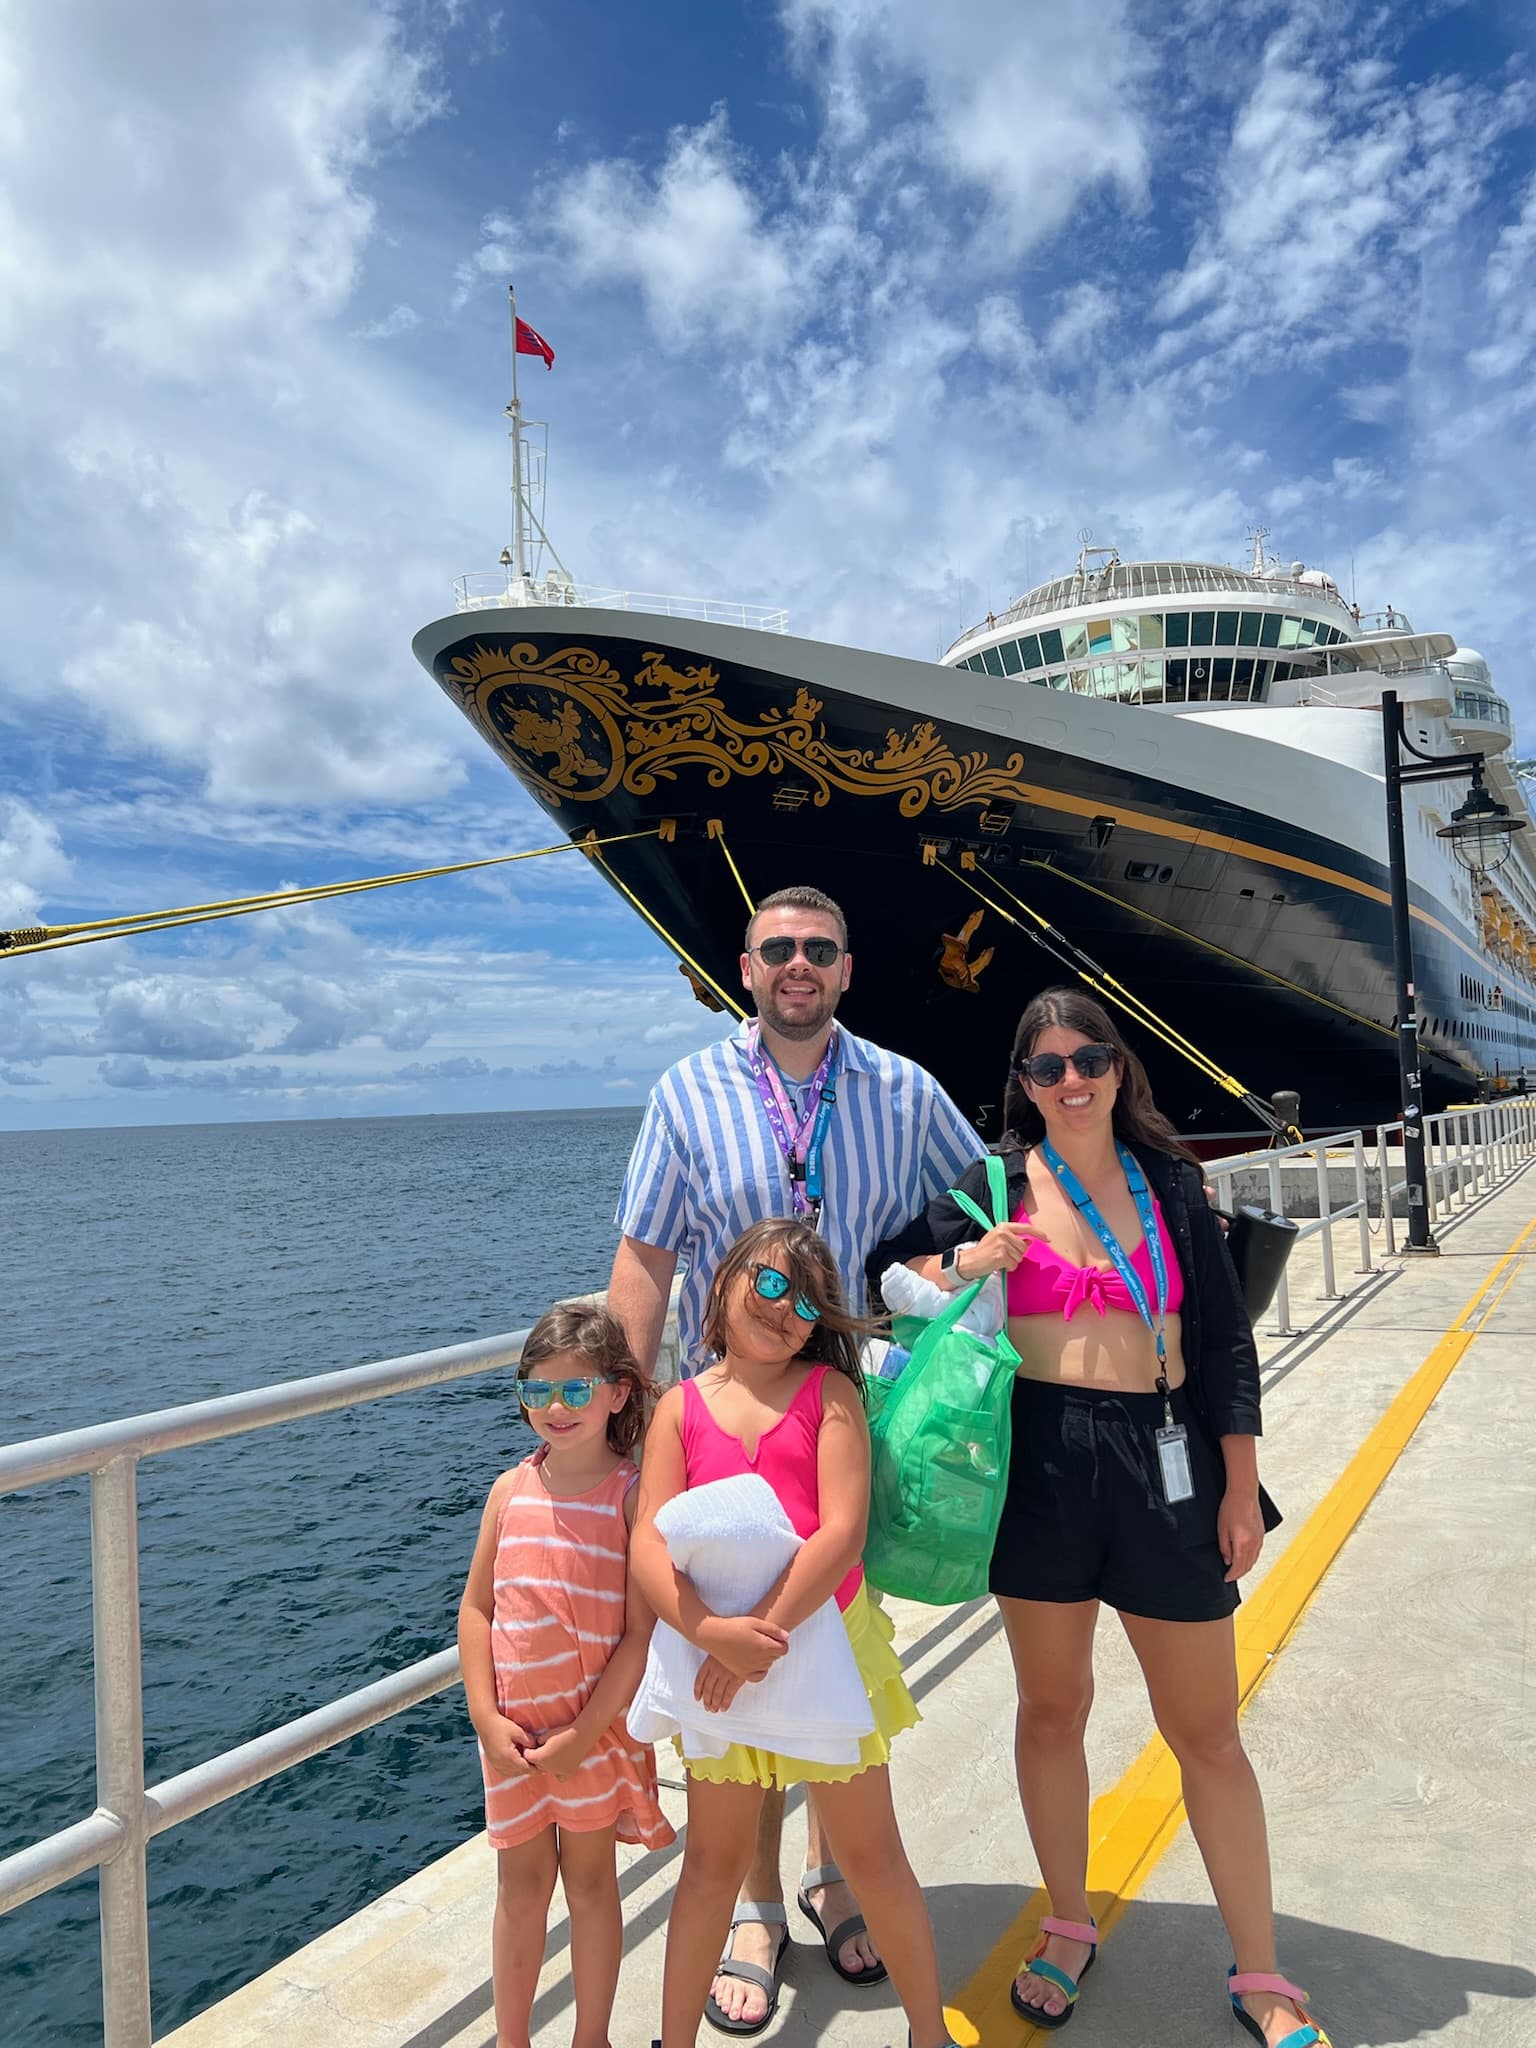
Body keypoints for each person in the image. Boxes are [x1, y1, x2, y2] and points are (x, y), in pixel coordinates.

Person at [905, 988, 1330, 2048]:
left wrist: (1240, 1484)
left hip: (1169, 1462)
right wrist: (967, 1259)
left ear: (1118, 1064)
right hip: (1040, 1467)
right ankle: (1066, 1920)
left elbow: (1226, 1346)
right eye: (1046, 1067)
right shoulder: (994, 1182)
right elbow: (895, 1269)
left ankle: (1261, 1968)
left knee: (1209, 1732)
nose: (1072, 1079)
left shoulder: (1176, 1184)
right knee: (1052, 1710)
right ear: (1024, 1084)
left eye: (1089, 1057)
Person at [608, 884, 984, 2033]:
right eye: (779, 949)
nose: (800, 965)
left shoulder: (906, 1088)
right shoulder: (687, 1091)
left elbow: (978, 1198)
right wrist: (620, 1431)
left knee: (824, 1664)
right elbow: (643, 1259)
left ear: (849, 966)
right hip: (717, 1445)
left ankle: (832, 1877)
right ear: (746, 964)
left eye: (821, 947)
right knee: (736, 1685)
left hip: (836, 1422)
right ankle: (759, 1904)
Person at [631, 1219, 960, 2048]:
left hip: (826, 1652)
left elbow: (841, 1533)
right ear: (723, 1284)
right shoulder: (679, 1407)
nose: (786, 1310)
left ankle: (930, 2033)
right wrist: (711, 1633)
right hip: (719, 1661)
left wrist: (760, 1636)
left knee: (874, 1858)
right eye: (770, 1285)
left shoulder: (830, 1395)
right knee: (710, 1867)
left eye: (809, 1301)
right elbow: (647, 1541)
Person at [459, 1305, 676, 2048]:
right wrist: (485, 1718)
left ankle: (592, 2037)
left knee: (590, 1887)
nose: (555, 1408)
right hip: (512, 1742)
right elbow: (477, 1609)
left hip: (593, 1736)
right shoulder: (506, 1492)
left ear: (618, 1393)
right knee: (518, 1894)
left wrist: (584, 1736)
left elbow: (640, 1634)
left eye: (576, 1391)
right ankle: (512, 2038)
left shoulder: (631, 1496)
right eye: (537, 1389)